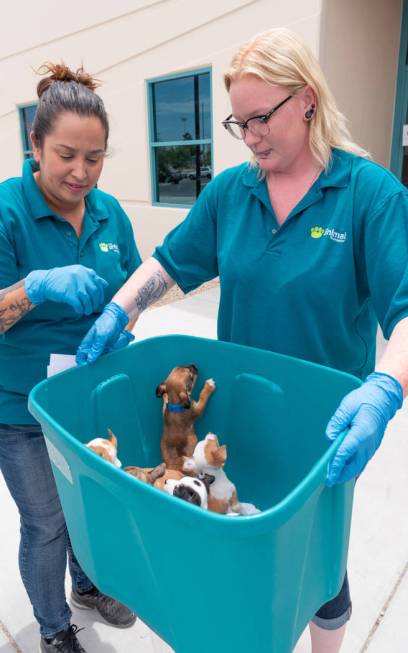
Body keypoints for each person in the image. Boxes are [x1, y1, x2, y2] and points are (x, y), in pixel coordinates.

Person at [76, 28, 407, 653]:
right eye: (238, 123)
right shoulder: (234, 190)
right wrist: (121, 310)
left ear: (306, 100)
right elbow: (171, 263)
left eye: (261, 119)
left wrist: (386, 388)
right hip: (231, 423)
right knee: (229, 535)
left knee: (317, 567)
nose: (250, 137)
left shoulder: (370, 195)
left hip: (323, 428)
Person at [0, 63, 143, 653]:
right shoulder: (8, 210)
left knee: (87, 504)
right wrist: (35, 286)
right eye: (65, 155)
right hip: (22, 406)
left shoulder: (110, 213)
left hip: (90, 394)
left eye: (95, 158)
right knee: (48, 522)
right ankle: (55, 629)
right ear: (34, 144)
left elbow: (137, 287)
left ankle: (86, 584)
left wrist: (121, 322)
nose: (81, 173)